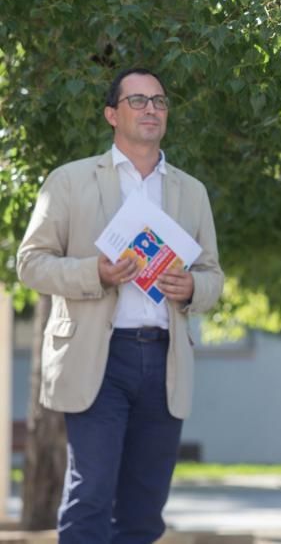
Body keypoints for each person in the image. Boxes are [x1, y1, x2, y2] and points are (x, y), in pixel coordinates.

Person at [17, 67, 224, 543]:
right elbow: (30, 264)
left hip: (164, 358)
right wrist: (96, 272)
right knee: (91, 493)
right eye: (138, 101)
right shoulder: (69, 181)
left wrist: (192, 287)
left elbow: (213, 275)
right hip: (97, 358)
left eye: (159, 101)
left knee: (145, 508)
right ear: (112, 114)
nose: (151, 109)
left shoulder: (191, 191)